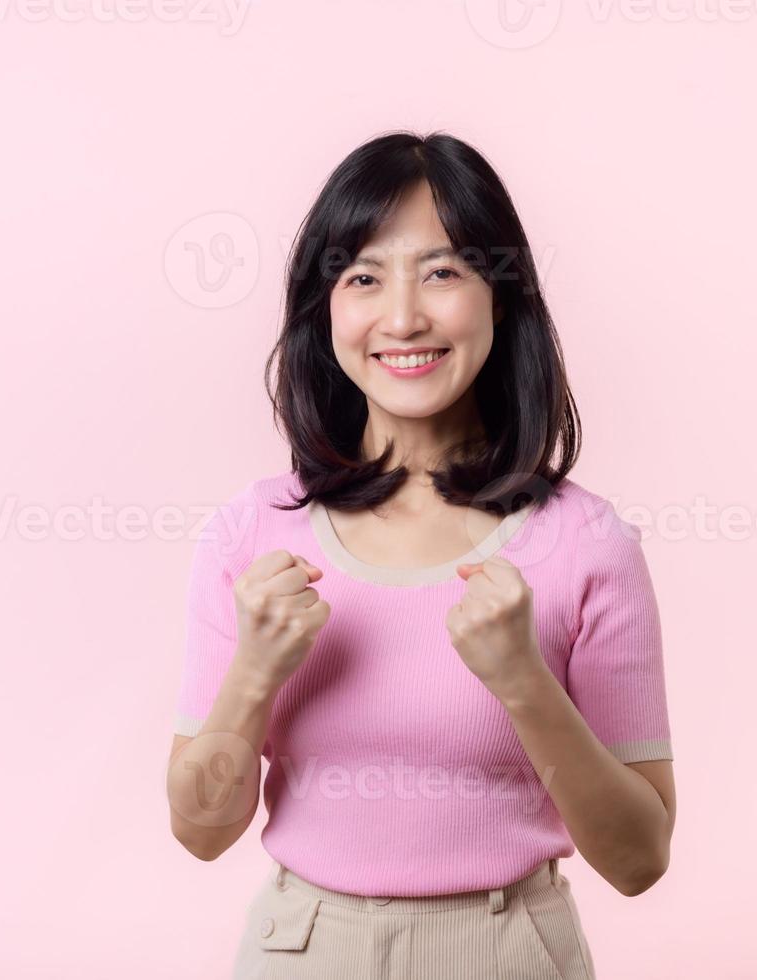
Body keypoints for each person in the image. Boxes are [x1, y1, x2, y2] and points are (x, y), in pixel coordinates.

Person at [164, 132, 675, 980]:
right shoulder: (250, 533)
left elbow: (638, 860)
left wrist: (522, 681)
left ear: (500, 298)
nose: (401, 318)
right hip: (301, 949)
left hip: (509, 949)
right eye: (362, 277)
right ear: (322, 307)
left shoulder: (588, 543)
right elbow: (201, 832)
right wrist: (253, 673)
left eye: (441, 272)